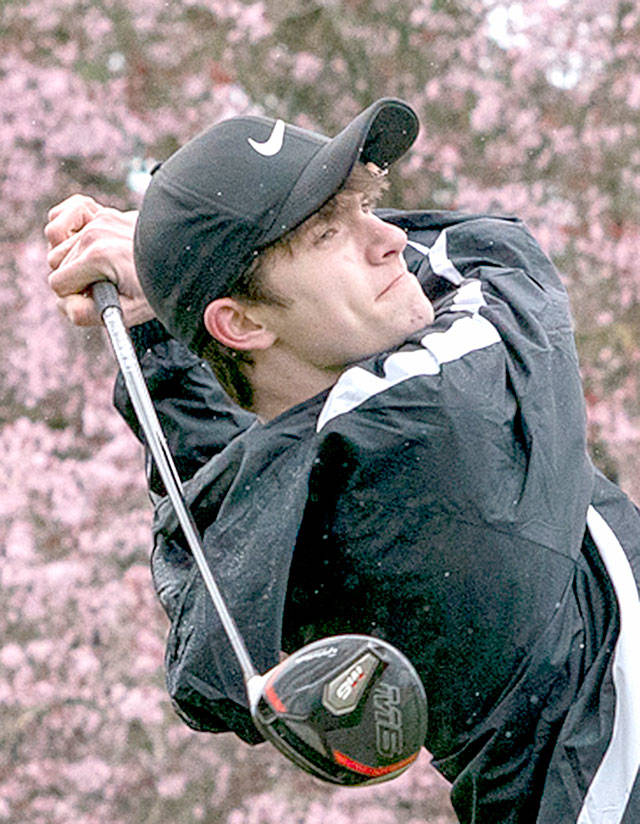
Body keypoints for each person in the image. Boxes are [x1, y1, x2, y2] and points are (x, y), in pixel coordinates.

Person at [46, 98, 640, 824]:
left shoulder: (288, 509)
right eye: (329, 231)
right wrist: (162, 265)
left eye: (367, 207)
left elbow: (212, 485)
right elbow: (497, 254)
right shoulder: (431, 420)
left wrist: (164, 318)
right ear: (241, 322)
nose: (391, 238)